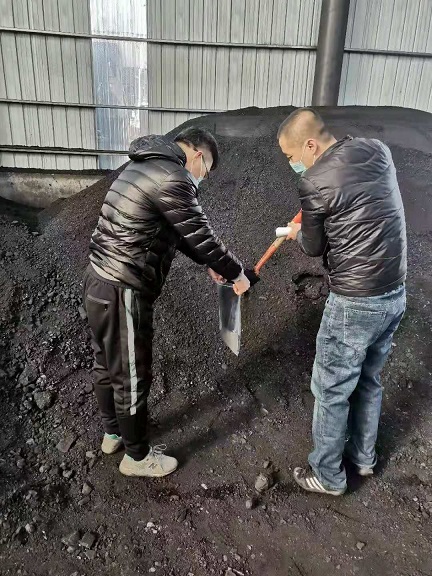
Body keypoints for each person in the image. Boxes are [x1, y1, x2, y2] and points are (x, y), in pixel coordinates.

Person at [82, 128, 253, 478]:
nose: (202, 178)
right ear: (199, 156)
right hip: (124, 286)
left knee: (107, 363)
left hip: (98, 279)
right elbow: (201, 235)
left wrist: (208, 264)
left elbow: (178, 230)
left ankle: (114, 434)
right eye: (206, 171)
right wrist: (236, 273)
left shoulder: (145, 164)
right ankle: (137, 458)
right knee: (132, 374)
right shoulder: (174, 177)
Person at [277, 108, 407, 496]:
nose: (293, 164)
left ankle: (328, 476)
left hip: (355, 301)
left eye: (291, 156)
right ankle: (363, 457)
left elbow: (314, 247)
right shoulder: (377, 149)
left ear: (310, 145)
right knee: (368, 377)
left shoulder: (315, 181)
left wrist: (297, 232)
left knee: (332, 388)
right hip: (394, 291)